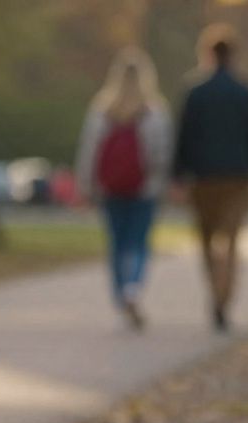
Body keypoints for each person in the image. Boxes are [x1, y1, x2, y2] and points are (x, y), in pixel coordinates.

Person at [174, 25, 248, 332]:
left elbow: (184, 138)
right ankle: (223, 297)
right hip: (237, 178)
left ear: (206, 54)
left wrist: (177, 176)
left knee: (206, 240)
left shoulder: (194, 92)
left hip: (203, 178)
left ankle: (214, 292)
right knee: (230, 241)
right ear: (233, 56)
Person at [76, 47, 173, 331]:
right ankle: (134, 288)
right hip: (145, 189)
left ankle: (121, 295)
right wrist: (162, 182)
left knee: (117, 243)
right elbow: (162, 154)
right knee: (139, 242)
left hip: (111, 189)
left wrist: (85, 186)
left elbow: (89, 152)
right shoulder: (154, 112)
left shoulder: (102, 111)